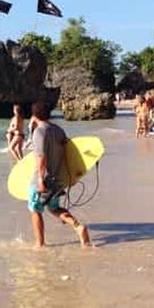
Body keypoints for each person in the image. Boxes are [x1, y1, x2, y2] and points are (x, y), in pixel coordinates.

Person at [27, 101, 91, 249]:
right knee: (54, 208)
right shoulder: (58, 130)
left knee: (35, 209)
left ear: (34, 115)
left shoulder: (39, 132)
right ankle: (78, 226)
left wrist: (40, 179)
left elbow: (41, 157)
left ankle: (40, 244)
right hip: (57, 178)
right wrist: (71, 175)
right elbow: (68, 153)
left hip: (43, 178)